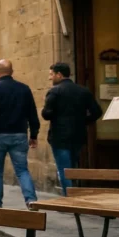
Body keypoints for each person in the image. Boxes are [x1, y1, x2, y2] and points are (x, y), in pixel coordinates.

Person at [0, 59, 40, 209]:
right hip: (19, 134)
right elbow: (32, 114)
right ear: (12, 72)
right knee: (22, 170)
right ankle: (31, 200)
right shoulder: (24, 89)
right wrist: (34, 135)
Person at [43, 62, 102, 196]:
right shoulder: (83, 91)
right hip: (78, 135)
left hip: (59, 136)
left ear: (59, 74)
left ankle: (69, 198)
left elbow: (47, 114)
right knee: (72, 167)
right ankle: (74, 194)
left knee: (64, 169)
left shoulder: (54, 91)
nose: (50, 78)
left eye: (51, 75)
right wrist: (83, 121)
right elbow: (97, 112)